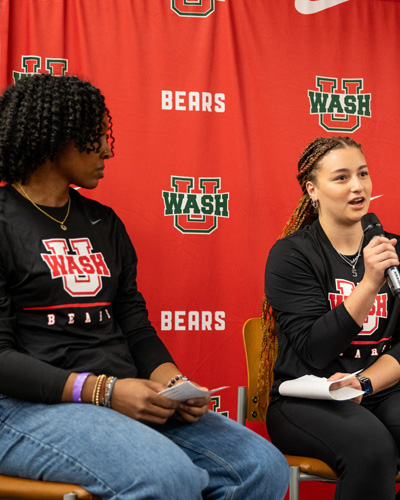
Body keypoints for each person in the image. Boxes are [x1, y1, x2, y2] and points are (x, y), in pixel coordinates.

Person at [0, 74, 288, 499]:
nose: (107, 148)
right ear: (54, 138)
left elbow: (133, 323)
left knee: (262, 468)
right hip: (26, 408)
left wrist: (172, 383)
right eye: (94, 135)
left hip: (120, 397)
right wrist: (103, 391)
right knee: (167, 477)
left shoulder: (104, 223)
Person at [262, 136, 400, 500]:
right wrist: (369, 284)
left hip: (377, 392)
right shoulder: (292, 255)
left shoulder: (398, 251)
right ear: (312, 190)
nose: (358, 186)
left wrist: (365, 384)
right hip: (306, 400)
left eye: (363, 174)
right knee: (373, 451)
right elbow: (313, 349)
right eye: (341, 177)